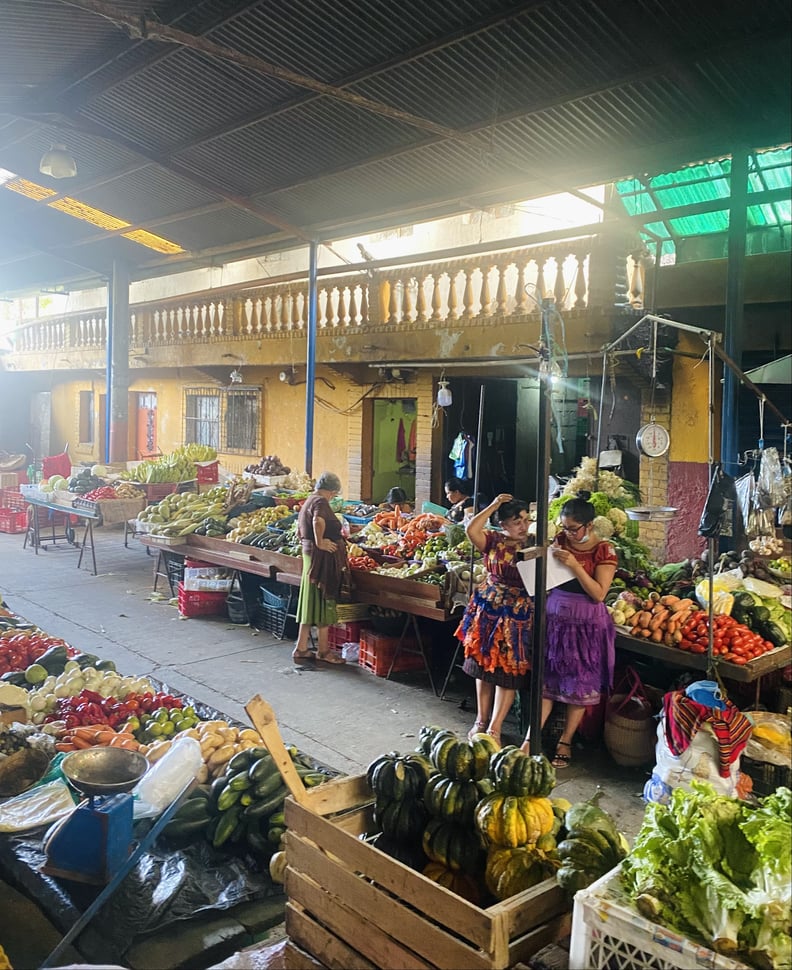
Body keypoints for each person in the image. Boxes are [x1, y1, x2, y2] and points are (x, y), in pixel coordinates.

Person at [523, 490, 617, 765]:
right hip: (556, 617)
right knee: (547, 679)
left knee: (578, 683)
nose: (568, 533)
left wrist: (575, 565)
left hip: (586, 622)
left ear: (589, 526)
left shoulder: (605, 550)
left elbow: (598, 593)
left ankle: (566, 740)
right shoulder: (561, 540)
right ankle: (531, 738)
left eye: (574, 529)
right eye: (564, 527)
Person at [455, 494, 536, 745]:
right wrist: (494, 505)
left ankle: (495, 727)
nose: (523, 526)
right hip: (488, 612)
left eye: (525, 519)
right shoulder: (493, 541)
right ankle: (480, 719)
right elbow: (471, 528)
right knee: (484, 666)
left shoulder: (536, 544)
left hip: (518, 618)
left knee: (508, 672)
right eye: (516, 521)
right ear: (503, 525)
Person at [291, 471, 348, 666]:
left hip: (310, 557)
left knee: (310, 601)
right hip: (320, 559)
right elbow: (317, 521)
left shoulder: (309, 500)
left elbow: (300, 530)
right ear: (331, 491)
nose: (333, 496)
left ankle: (301, 648)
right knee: (325, 599)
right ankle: (323, 651)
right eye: (334, 493)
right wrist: (321, 542)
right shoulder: (321, 503)